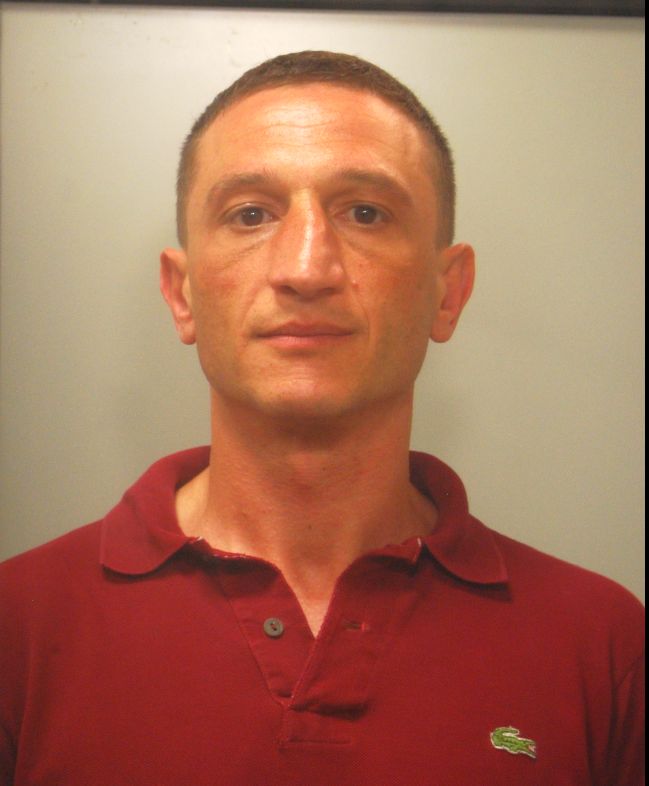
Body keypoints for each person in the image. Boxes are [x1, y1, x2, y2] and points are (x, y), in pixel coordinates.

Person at [0, 51, 643, 786]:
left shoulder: (602, 644)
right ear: (181, 295)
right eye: (250, 214)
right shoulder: (18, 626)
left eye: (364, 212)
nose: (306, 269)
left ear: (448, 293)